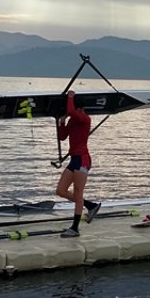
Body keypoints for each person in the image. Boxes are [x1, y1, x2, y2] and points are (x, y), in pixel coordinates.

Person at [55, 90, 101, 237]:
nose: (72, 113)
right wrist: (62, 122)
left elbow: (70, 110)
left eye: (75, 110)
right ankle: (90, 205)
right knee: (61, 191)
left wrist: (70, 97)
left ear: (80, 109)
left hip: (83, 159)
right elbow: (62, 137)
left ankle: (75, 228)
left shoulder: (85, 119)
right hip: (74, 159)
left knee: (78, 192)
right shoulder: (72, 120)